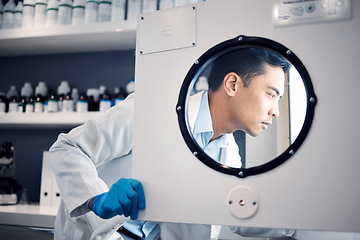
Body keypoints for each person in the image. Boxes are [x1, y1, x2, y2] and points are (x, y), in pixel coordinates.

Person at [49, 47, 294, 240]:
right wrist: (97, 199)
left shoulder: (228, 152)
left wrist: (301, 225)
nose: (276, 112)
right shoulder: (151, 111)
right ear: (232, 84)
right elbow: (67, 148)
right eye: (271, 94)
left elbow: (236, 215)